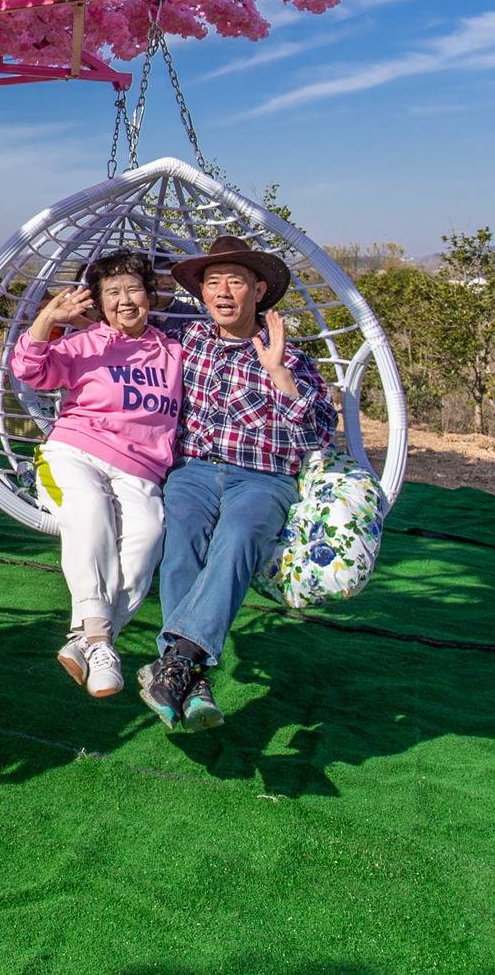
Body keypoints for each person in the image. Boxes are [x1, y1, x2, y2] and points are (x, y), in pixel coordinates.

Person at [140, 235, 339, 731]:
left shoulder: (289, 357)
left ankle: (178, 661)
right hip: (196, 470)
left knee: (239, 535)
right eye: (213, 282)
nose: (223, 291)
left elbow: (318, 434)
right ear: (202, 295)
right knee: (181, 532)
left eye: (235, 281)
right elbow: (123, 341)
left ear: (258, 290)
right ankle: (193, 675)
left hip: (264, 478)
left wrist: (279, 377)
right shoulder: (186, 343)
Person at [6, 250, 183, 698]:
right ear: (101, 304)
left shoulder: (174, 353)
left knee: (147, 536)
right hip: (76, 452)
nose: (125, 301)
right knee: (90, 514)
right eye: (113, 294)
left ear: (150, 294)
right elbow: (29, 370)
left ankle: (85, 640)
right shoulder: (87, 344)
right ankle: (103, 641)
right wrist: (48, 318)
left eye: (133, 290)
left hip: (140, 468)